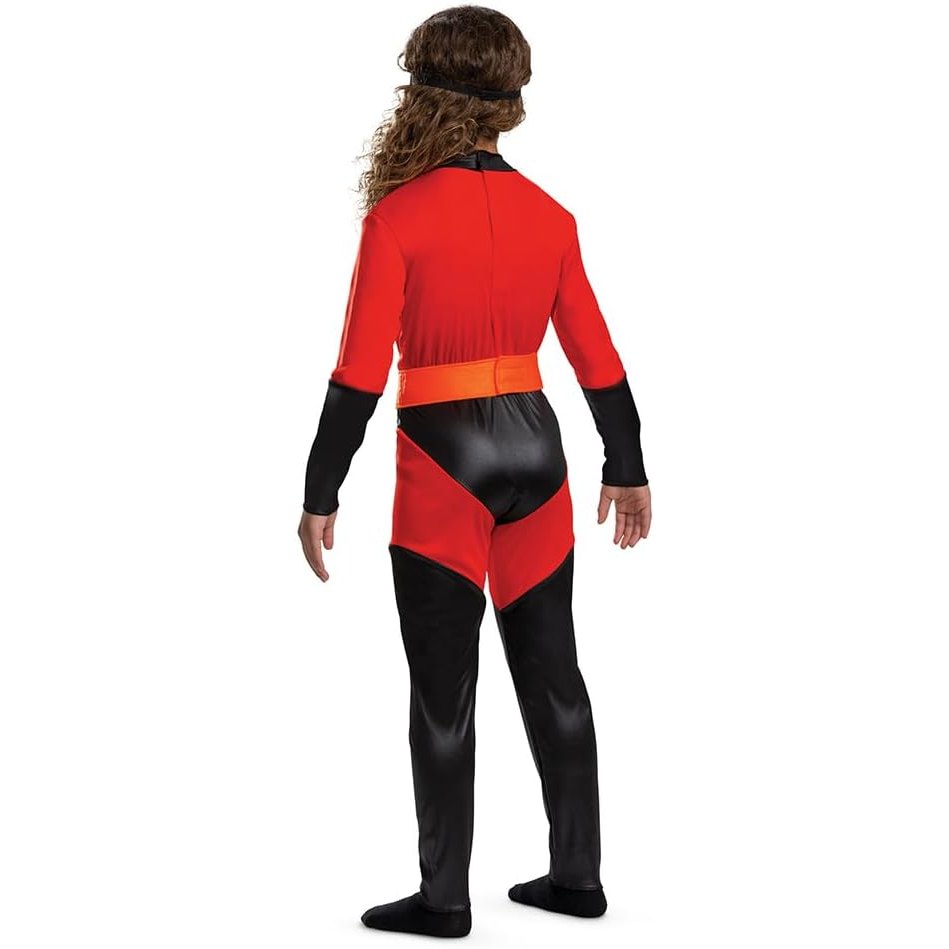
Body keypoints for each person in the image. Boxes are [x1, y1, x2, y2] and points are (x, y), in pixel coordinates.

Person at [297, 5, 652, 939]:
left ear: (421, 94)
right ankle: (576, 878)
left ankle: (443, 899)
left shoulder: (397, 217)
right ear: (511, 100)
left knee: (442, 694)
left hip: (441, 456)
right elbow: (596, 355)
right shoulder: (551, 217)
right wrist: (626, 463)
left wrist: (320, 489)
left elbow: (357, 373)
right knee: (555, 675)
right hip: (538, 449)